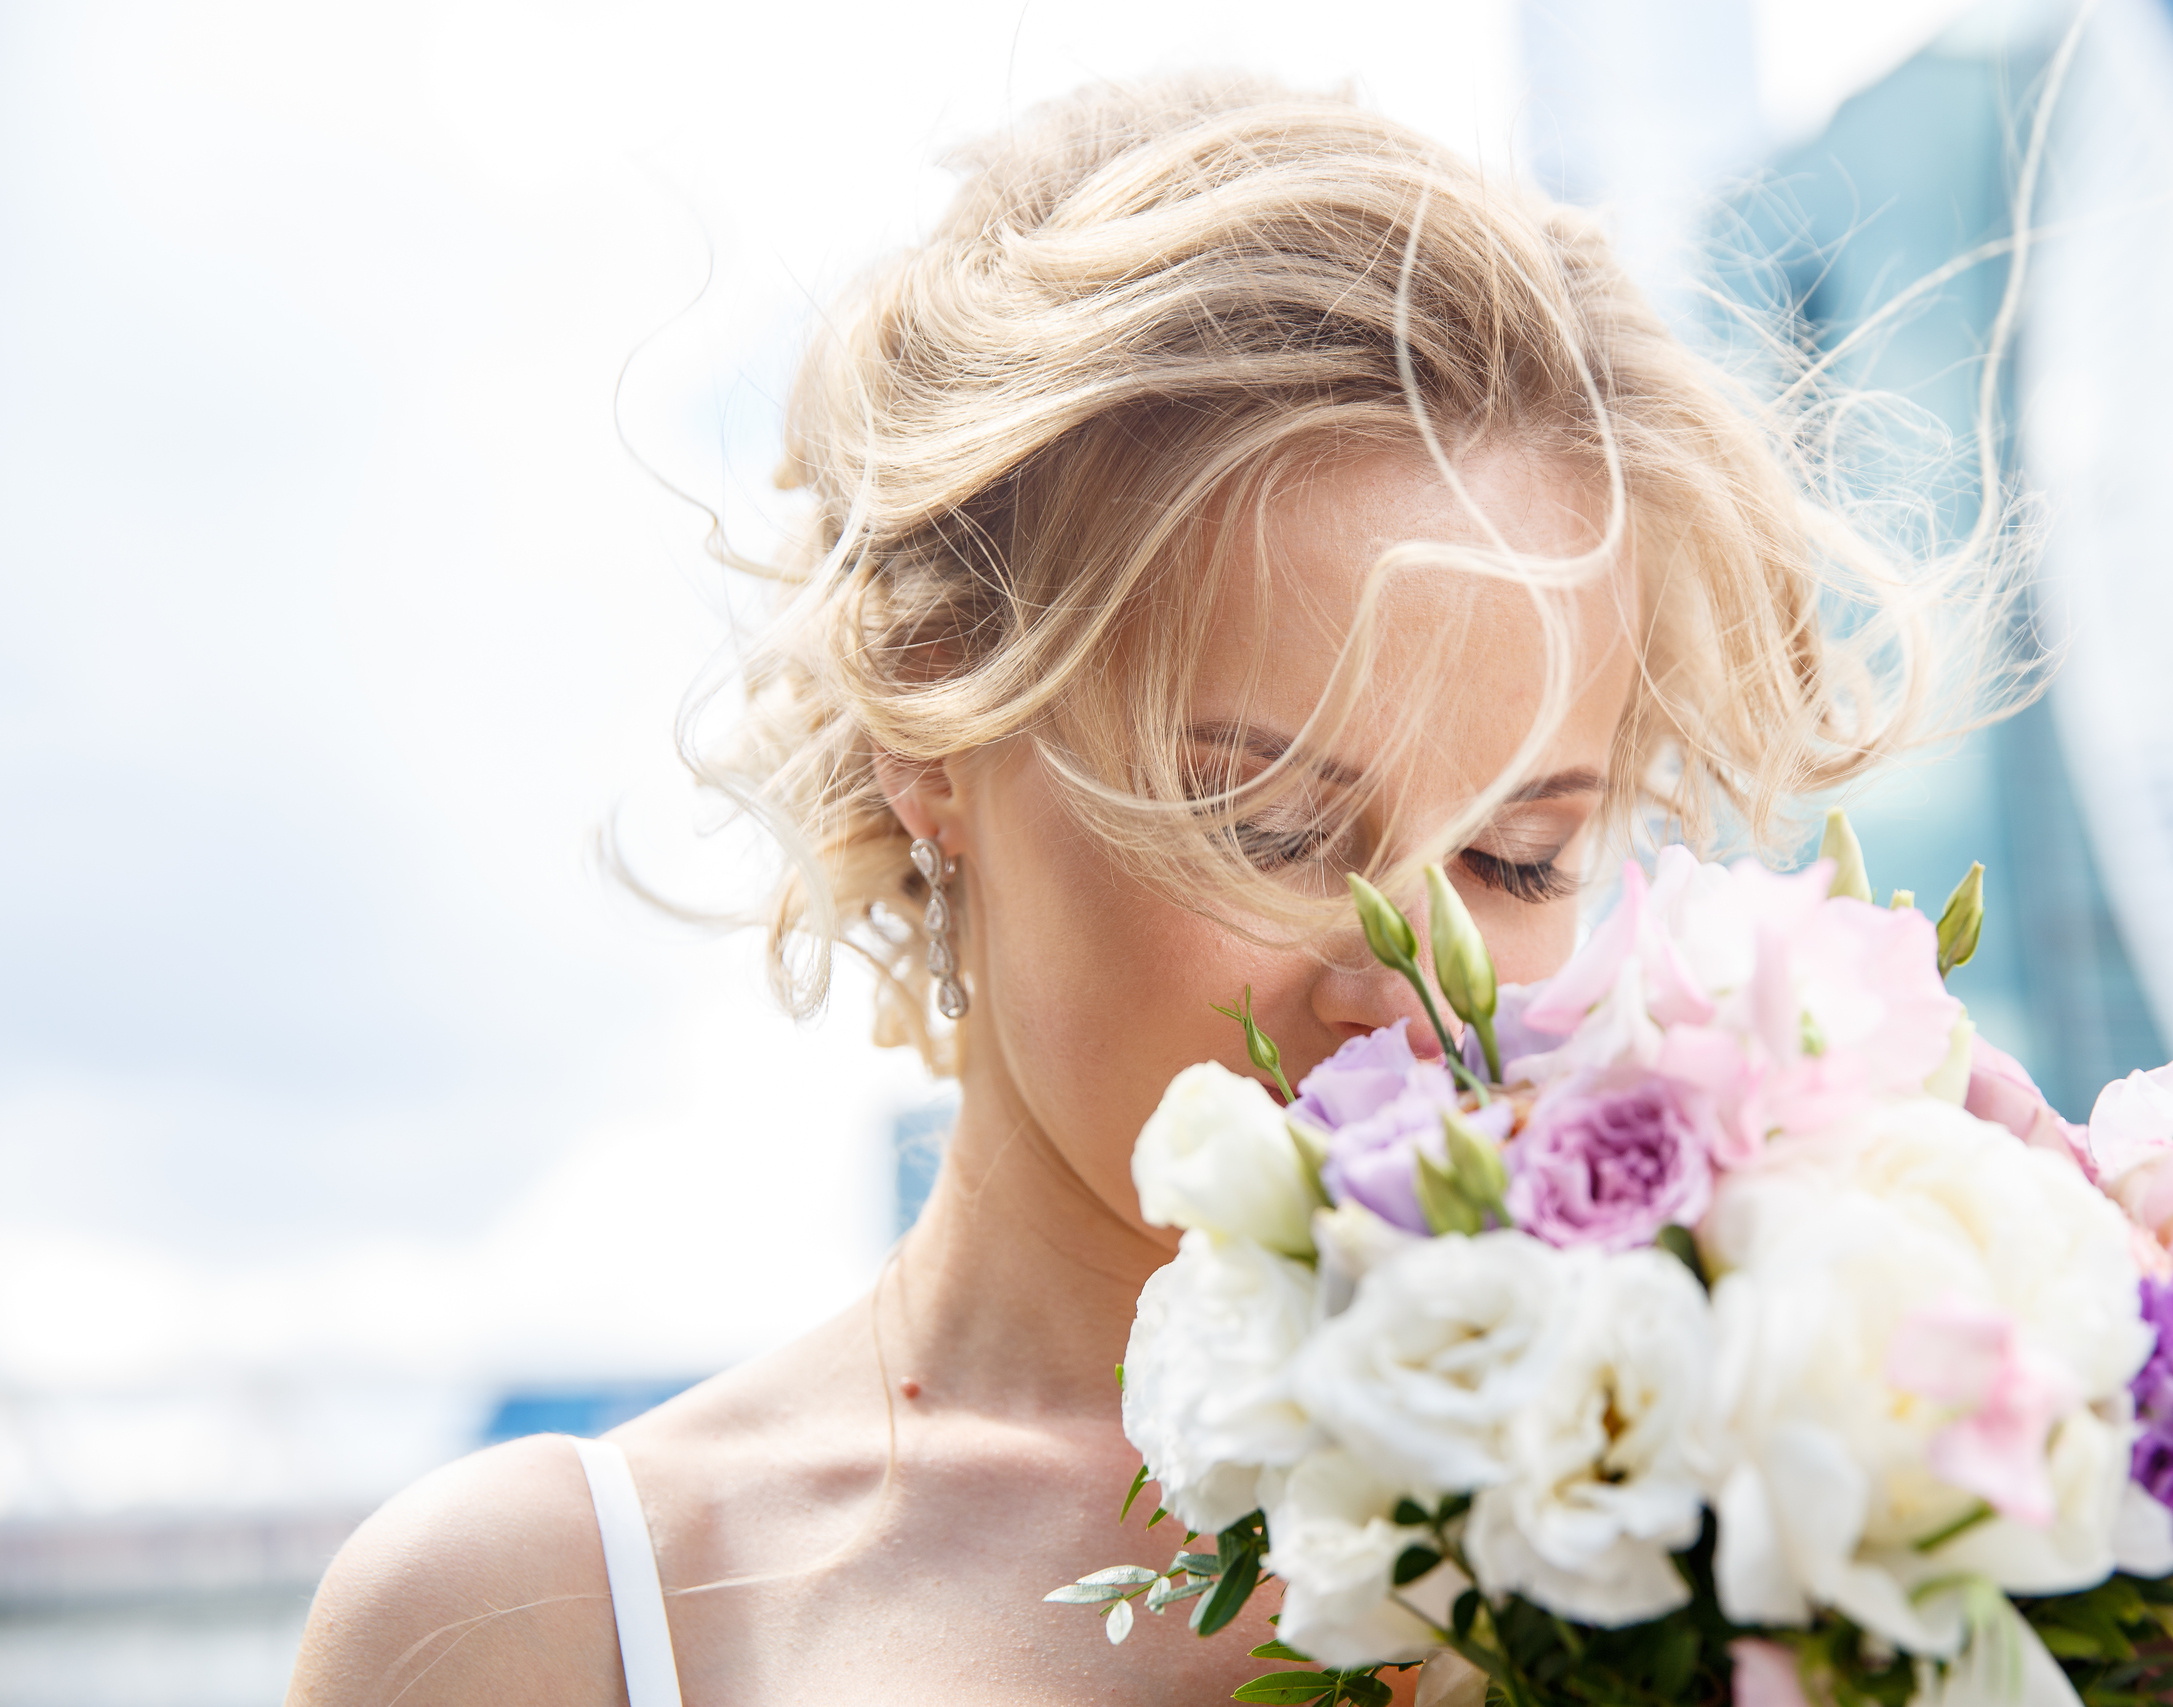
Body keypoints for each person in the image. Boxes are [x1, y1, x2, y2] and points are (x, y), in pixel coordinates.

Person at [285, 74, 1990, 1707]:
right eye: (1270, 824)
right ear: (935, 723)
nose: (1415, 992)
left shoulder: (1793, 1486)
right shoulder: (534, 1627)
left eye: (1517, 858)